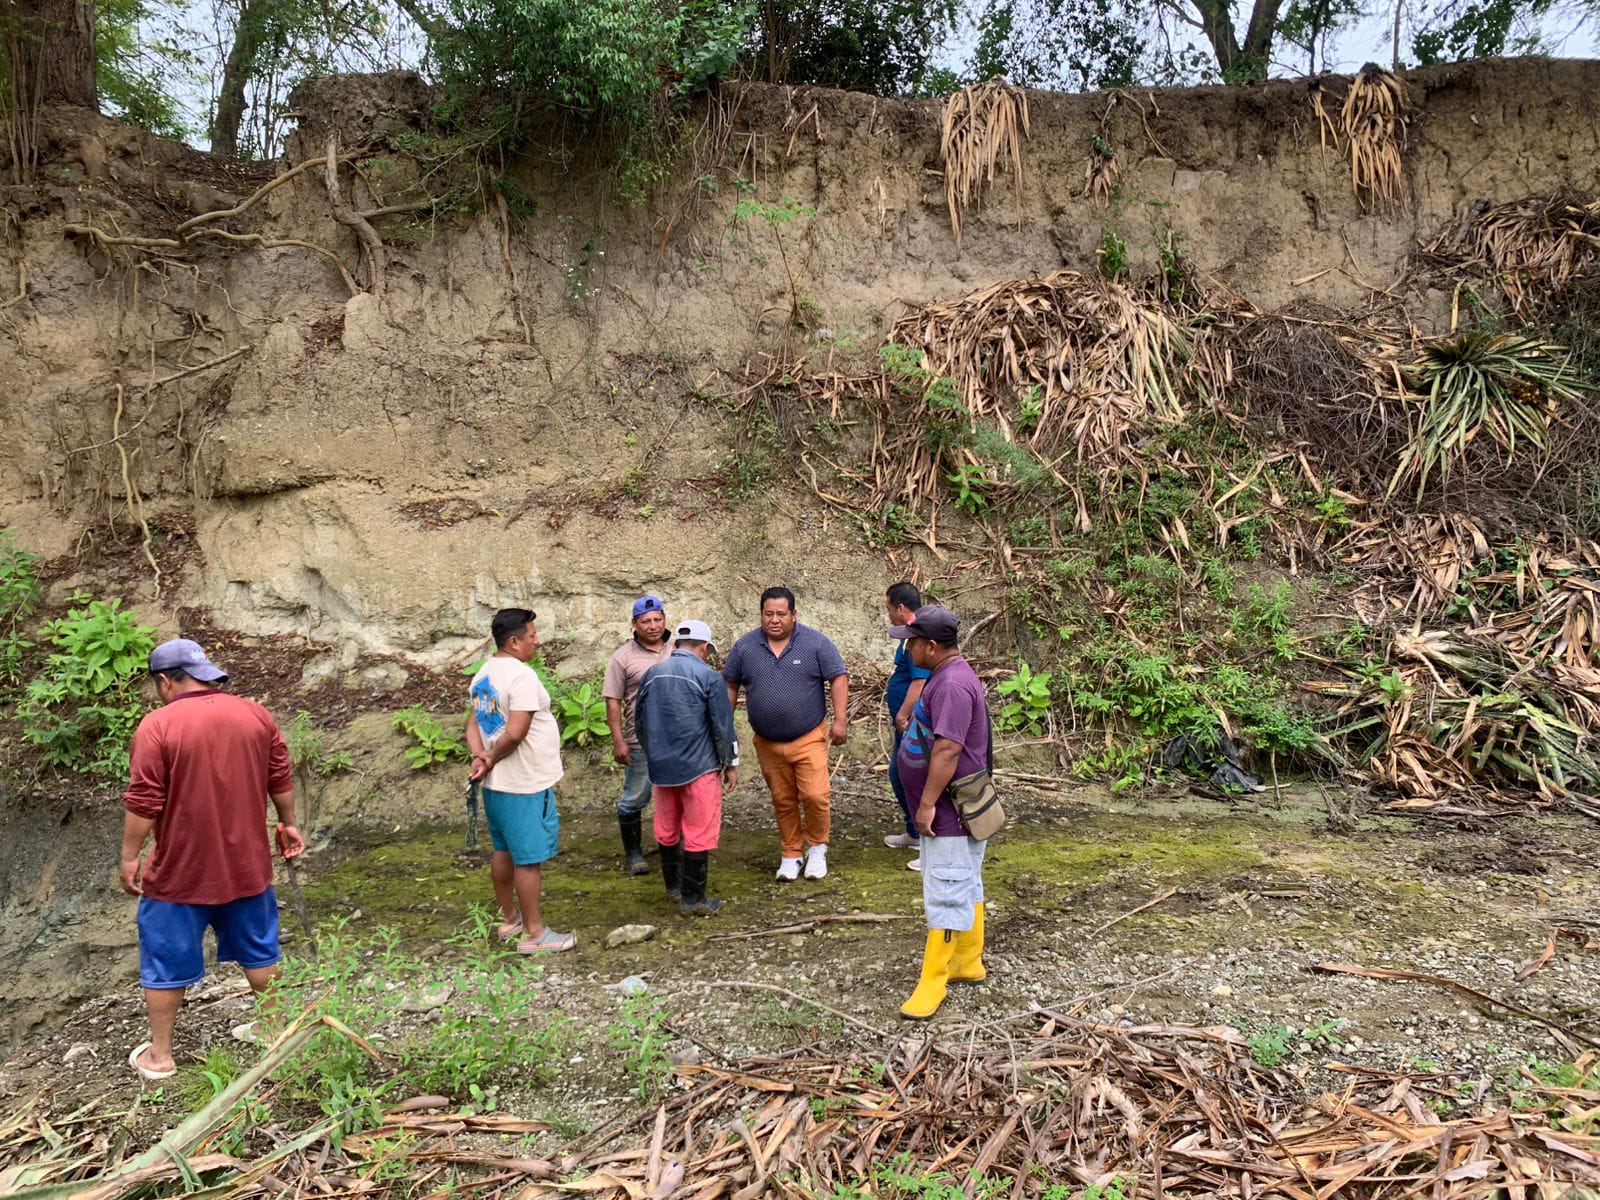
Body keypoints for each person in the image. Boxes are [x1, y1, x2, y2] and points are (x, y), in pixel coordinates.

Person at [120, 638, 304, 1081]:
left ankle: (160, 1057)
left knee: (165, 958)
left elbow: (144, 799)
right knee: (260, 950)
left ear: (165, 682)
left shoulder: (157, 726)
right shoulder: (254, 714)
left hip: (180, 871)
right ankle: (275, 1033)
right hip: (247, 865)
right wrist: (289, 823)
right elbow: (279, 775)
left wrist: (129, 856)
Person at [889, 605, 991, 1020]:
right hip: (951, 807)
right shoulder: (946, 675)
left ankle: (934, 981)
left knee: (947, 888)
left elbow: (948, 749)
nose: (907, 649)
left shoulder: (951, 684)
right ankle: (968, 960)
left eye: (911, 643)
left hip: (949, 809)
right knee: (966, 879)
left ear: (931, 646)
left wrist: (927, 803)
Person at [466, 608, 575, 953]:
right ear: (514, 641)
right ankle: (534, 933)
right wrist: (491, 757)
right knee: (527, 858)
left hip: (496, 784)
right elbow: (515, 733)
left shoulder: (484, 672)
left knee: (503, 851)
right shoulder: (521, 676)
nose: (536, 641)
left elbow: (472, 723)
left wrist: (480, 756)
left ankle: (510, 918)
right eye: (532, 635)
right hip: (524, 782)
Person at [723, 586, 849, 881]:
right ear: (761, 615)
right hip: (767, 742)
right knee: (782, 798)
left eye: (781, 614)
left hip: (809, 735)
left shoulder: (815, 643)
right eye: (769, 614)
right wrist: (725, 726)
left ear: (794, 614)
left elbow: (838, 677)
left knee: (815, 795)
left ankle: (816, 848)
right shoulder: (744, 648)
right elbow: (729, 684)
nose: (775, 620)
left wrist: (840, 720)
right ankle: (791, 853)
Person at [634, 619, 739, 916]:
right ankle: (694, 899)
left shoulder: (652, 674)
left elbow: (639, 722)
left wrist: (654, 753)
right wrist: (730, 763)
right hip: (699, 766)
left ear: (677, 644)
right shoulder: (708, 677)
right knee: (699, 829)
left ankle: (673, 888)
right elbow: (722, 726)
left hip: (661, 768)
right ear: (704, 647)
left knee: (667, 827)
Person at [602, 596, 674, 876]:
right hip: (640, 740)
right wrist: (618, 741)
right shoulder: (622, 658)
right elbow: (613, 700)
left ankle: (675, 848)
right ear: (634, 624)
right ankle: (633, 853)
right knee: (634, 797)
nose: (653, 626)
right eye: (646, 621)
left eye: (658, 619)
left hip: (678, 740)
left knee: (676, 794)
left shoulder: (678, 648)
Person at [883, 582, 932, 871]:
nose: (888, 614)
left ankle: (930, 843)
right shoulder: (908, 636)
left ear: (900, 608)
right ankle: (914, 832)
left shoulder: (919, 635)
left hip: (913, 722)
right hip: (905, 722)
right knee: (899, 774)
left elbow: (919, 681)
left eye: (889, 608)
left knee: (913, 778)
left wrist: (903, 714)